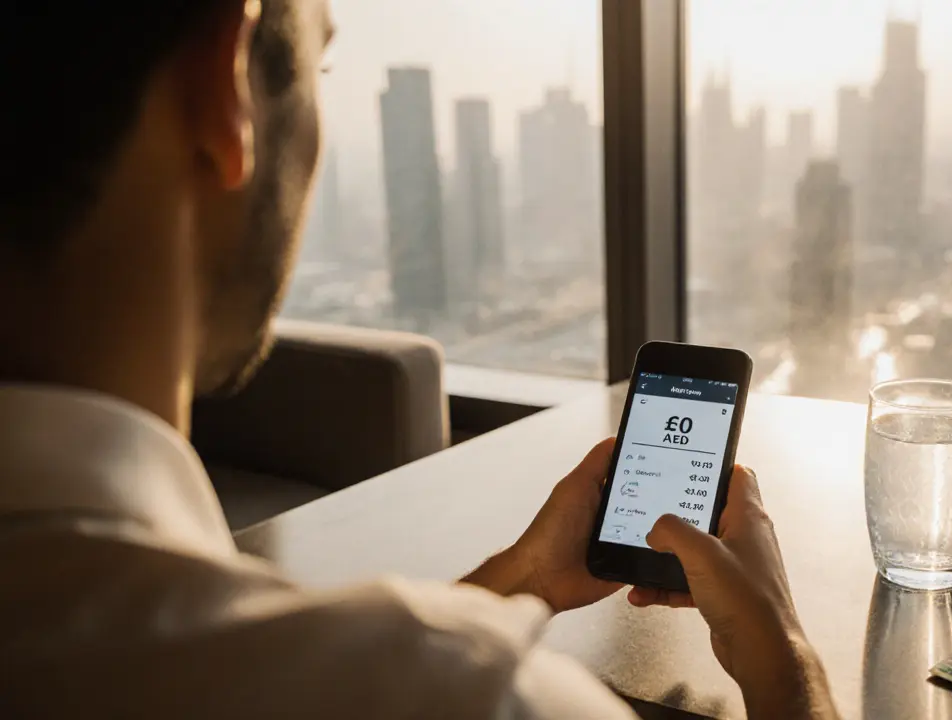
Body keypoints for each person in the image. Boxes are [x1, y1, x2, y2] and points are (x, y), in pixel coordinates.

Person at [0, 1, 837, 718]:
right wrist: (786, 664)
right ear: (223, 89)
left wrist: (525, 580)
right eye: (321, 73)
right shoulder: (480, 697)